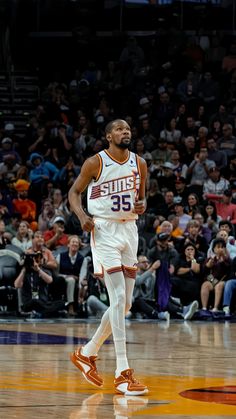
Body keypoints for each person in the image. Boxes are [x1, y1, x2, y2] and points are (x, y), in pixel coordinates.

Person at [68, 119, 148, 395]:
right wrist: (81, 216)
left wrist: (142, 204)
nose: (125, 131)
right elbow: (74, 193)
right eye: (119, 129)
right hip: (104, 231)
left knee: (124, 307)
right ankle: (123, 373)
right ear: (108, 135)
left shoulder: (140, 164)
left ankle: (87, 352)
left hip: (129, 232)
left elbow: (142, 199)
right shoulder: (95, 163)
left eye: (128, 128)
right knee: (118, 300)